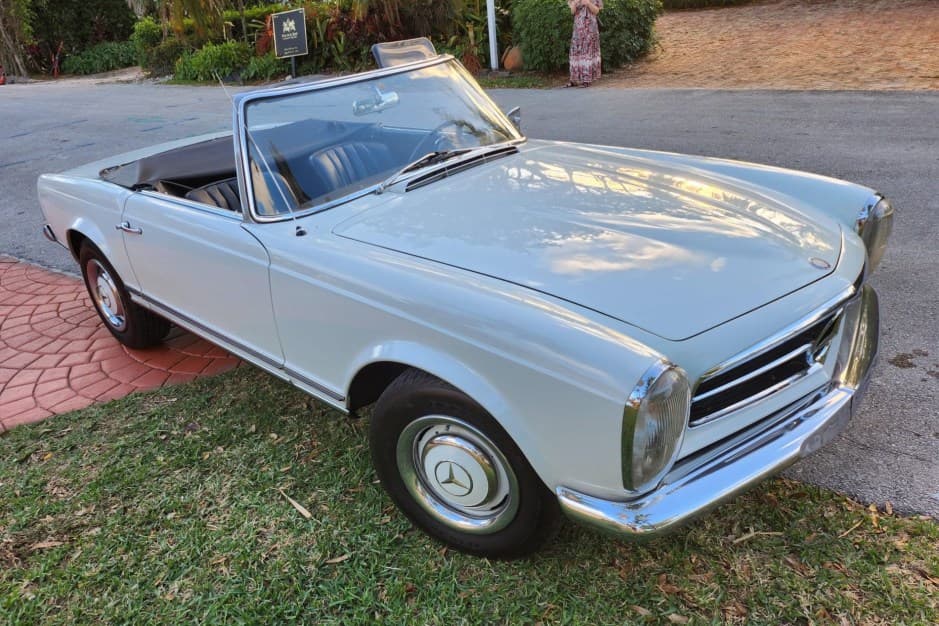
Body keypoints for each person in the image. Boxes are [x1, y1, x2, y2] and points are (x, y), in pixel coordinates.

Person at [566, 0, 602, 87]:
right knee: (576, 52)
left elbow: (596, 11)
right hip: (578, 29)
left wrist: (588, 3)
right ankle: (574, 79)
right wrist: (575, 3)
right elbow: (572, 11)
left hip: (590, 29)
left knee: (587, 53)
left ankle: (586, 80)